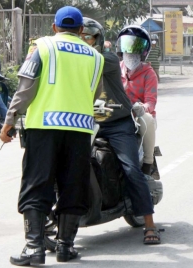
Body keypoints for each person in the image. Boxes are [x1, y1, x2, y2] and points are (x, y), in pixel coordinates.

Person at [0, 6, 104, 265]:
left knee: (37, 186)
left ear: (55, 27)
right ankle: (65, 247)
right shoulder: (96, 56)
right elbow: (95, 94)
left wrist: (9, 121)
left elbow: (25, 89)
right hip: (79, 130)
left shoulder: (42, 47)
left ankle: (34, 249)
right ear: (81, 31)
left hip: (44, 129)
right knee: (73, 187)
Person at [82, 19, 161, 245]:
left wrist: (141, 108)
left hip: (121, 123)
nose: (85, 41)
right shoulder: (93, 62)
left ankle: (149, 224)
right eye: (82, 37)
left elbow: (150, 102)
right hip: (93, 121)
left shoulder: (109, 62)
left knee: (131, 170)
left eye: (90, 37)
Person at [117, 25, 158, 181]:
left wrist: (142, 108)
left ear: (144, 51)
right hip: (118, 114)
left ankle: (148, 164)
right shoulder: (116, 69)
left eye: (136, 47)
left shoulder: (149, 73)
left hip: (139, 116)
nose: (131, 52)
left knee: (147, 119)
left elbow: (151, 102)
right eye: (127, 46)